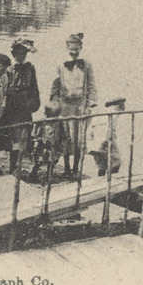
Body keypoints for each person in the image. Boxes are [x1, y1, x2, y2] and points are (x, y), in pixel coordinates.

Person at [56, 33, 98, 177]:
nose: (74, 52)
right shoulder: (60, 64)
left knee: (80, 138)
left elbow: (91, 85)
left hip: (81, 106)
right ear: (67, 48)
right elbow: (55, 85)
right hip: (65, 106)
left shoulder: (87, 64)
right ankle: (66, 167)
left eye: (77, 49)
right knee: (66, 136)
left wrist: (90, 104)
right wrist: (54, 104)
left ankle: (76, 168)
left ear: (81, 48)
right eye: (71, 49)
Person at [4, 38, 41, 177]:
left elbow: (34, 87)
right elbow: (4, 89)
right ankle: (12, 167)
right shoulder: (9, 69)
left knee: (25, 136)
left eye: (24, 54)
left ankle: (18, 166)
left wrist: (35, 103)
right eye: (19, 53)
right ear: (14, 54)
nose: (21, 56)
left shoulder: (30, 68)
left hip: (25, 107)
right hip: (13, 107)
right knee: (14, 137)